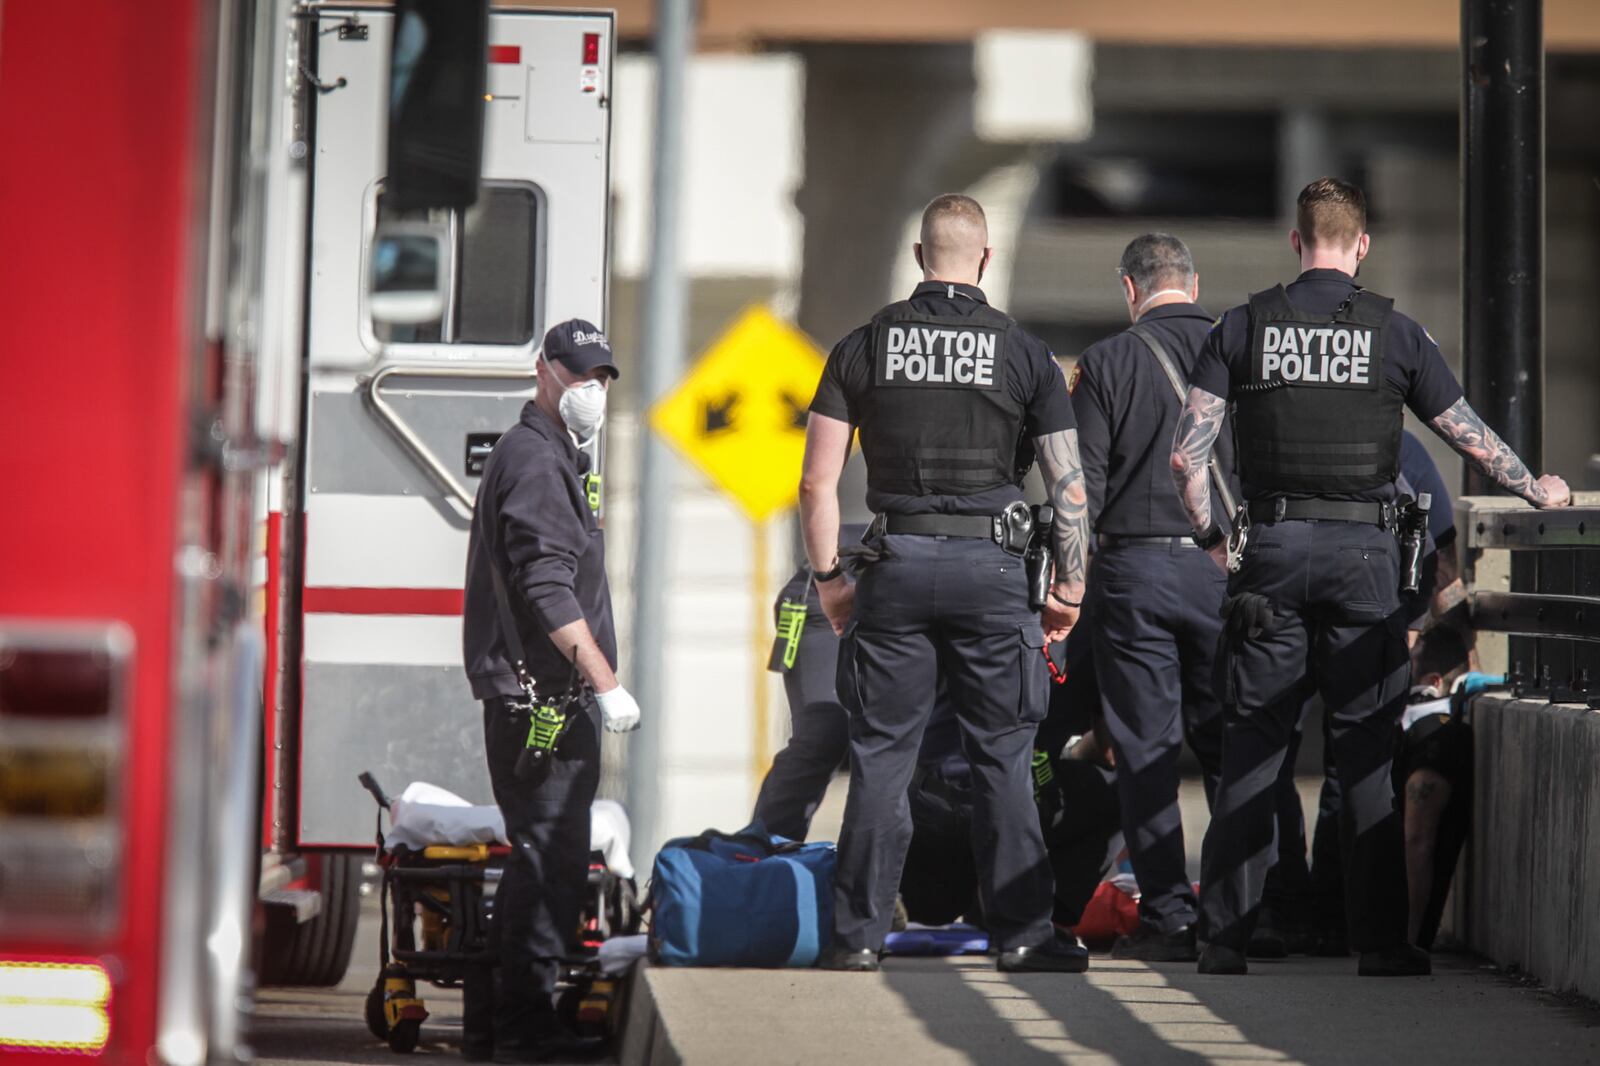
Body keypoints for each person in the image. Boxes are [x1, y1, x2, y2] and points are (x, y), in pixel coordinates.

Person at [1170, 177, 1570, 977]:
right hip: (1366, 564)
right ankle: (1380, 943)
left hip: (1271, 555)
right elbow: (1464, 432)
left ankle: (1224, 939)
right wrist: (1536, 487)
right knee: (1364, 758)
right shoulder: (1394, 332)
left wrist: (1216, 537)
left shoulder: (1243, 325)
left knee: (1254, 750)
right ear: (1359, 246)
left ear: (1295, 242)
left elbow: (1189, 454)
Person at [800, 193, 1092, 974]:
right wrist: (1068, 588)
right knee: (1001, 754)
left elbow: (817, 484)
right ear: (986, 259)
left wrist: (830, 579)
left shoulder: (862, 347)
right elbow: (1069, 486)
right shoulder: (1025, 354)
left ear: (919, 256)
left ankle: (857, 938)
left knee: (884, 757)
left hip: (893, 568)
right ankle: (1024, 935)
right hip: (993, 574)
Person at [462, 319, 641, 1062]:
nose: (591, 391)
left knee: (549, 855)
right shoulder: (536, 462)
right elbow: (545, 583)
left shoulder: (552, 454)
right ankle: (525, 1030)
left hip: (544, 698)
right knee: (547, 860)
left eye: (600, 378)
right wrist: (605, 681)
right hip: (544, 702)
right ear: (544, 372)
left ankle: (496, 1025)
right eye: (578, 376)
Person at [1070, 232, 1228, 962]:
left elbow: (1087, 490)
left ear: (1129, 289)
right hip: (1223, 568)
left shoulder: (1105, 362)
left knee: (1146, 751)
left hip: (1133, 573)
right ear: (1192, 287)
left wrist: (1072, 584)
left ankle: (1169, 915)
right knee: (1238, 744)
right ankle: (1251, 911)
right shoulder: (1240, 351)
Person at [749, 525, 867, 841]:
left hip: (947, 590)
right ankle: (760, 855)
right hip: (832, 584)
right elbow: (813, 485)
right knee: (825, 733)